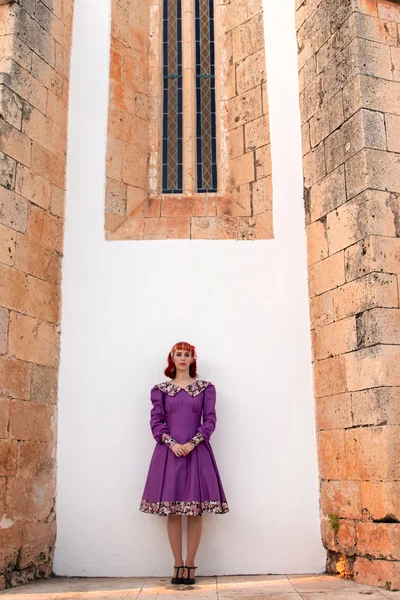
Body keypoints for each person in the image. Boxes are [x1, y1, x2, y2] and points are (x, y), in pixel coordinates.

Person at [139, 341, 229, 585]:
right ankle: (177, 563)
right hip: (169, 454)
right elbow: (156, 421)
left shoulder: (205, 388)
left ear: (192, 360)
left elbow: (210, 420)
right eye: (178, 354)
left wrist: (192, 442)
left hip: (197, 452)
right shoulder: (160, 390)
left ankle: (190, 564)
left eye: (187, 354)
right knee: (173, 511)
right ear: (172, 358)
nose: (182, 358)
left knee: (195, 510)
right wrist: (171, 443)